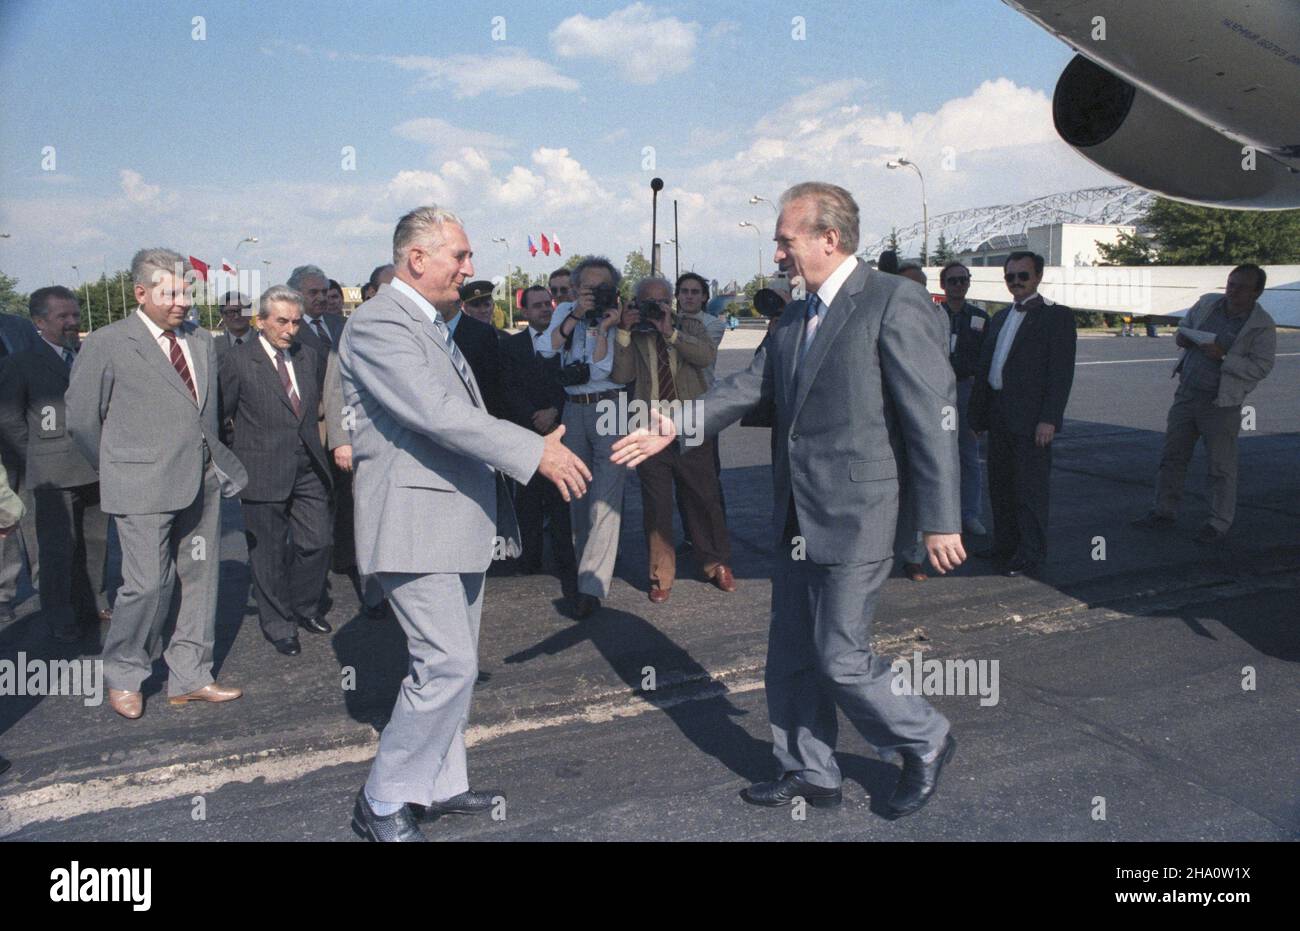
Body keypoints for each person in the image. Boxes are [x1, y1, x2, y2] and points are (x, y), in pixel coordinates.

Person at [613, 182, 963, 819]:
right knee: (794, 655)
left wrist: (941, 520)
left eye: (785, 239)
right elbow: (750, 387)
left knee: (841, 656)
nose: (777, 252)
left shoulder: (894, 301)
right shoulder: (797, 314)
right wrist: (672, 423)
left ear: (829, 239)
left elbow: (931, 415)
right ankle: (812, 772)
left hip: (860, 513)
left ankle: (924, 736)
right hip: (798, 512)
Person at [340, 205, 589, 842]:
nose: (471, 268)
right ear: (417, 258)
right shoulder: (377, 323)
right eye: (461, 255)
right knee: (445, 665)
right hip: (412, 522)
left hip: (453, 519)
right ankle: (384, 797)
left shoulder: (431, 323)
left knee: (454, 664)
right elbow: (435, 412)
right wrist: (534, 452)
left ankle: (440, 784)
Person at [66, 248, 248, 719]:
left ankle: (190, 676)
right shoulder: (107, 342)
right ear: (141, 293)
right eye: (170, 293)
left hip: (201, 482)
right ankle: (126, 674)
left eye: (187, 291)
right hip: (139, 485)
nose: (182, 301)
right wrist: (118, 467)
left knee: (200, 580)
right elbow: (83, 421)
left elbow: (204, 413)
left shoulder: (202, 341)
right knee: (146, 585)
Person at [219, 285, 333, 656]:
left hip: (308, 467)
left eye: (296, 322)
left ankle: (304, 606)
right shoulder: (238, 361)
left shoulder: (309, 355)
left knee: (317, 543)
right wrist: (233, 464)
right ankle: (278, 623)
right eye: (281, 322)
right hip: (261, 471)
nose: (290, 330)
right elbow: (222, 417)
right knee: (266, 554)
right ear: (261, 321)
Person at [611, 276, 734, 603]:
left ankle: (715, 562)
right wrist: (623, 331)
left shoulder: (690, 325)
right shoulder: (632, 333)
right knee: (657, 505)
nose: (657, 307)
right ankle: (661, 576)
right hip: (648, 426)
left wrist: (670, 332)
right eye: (649, 302)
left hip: (689, 422)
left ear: (672, 301)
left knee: (703, 496)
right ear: (637, 303)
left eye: (663, 301)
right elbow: (621, 376)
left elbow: (705, 357)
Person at [1132, 265, 1276, 544]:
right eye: (1230, 284)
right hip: (1187, 392)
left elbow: (1261, 367)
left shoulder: (1262, 325)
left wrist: (1223, 357)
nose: (1232, 291)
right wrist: (1183, 338)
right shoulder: (1209, 303)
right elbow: (1183, 330)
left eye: (1241, 287)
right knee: (1172, 455)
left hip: (1221, 402)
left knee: (1220, 465)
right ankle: (1163, 510)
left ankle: (1218, 521)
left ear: (1257, 292)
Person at [0, 286, 111, 642]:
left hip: (94, 467)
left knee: (95, 542)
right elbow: (9, 417)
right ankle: (59, 617)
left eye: (75, 315)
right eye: (62, 317)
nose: (72, 323)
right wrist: (35, 453)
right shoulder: (21, 363)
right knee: (57, 549)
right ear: (38, 321)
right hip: (51, 474)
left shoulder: (87, 357)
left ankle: (91, 604)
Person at [968, 251, 1077, 578]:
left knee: (1029, 489)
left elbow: (1060, 373)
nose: (1016, 282)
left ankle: (1031, 553)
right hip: (1000, 413)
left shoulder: (1056, 317)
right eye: (1010, 276)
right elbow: (986, 367)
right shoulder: (1000, 317)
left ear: (1038, 277)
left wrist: (1050, 418)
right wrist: (977, 417)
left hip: (1032, 420)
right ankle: (1005, 545)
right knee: (1000, 485)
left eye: (1022, 276)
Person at [539, 256, 627, 619]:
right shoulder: (565, 313)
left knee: (605, 497)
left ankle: (591, 587)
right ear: (575, 288)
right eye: (587, 288)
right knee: (576, 491)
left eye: (601, 288)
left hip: (611, 404)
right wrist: (576, 313)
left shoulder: (619, 316)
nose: (594, 294)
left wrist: (606, 326)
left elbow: (604, 367)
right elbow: (546, 349)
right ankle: (583, 568)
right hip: (574, 405)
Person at [500, 285, 577, 592]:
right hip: (526, 431)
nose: (545, 309)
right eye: (538, 305)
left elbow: (572, 382)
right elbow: (507, 388)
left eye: (549, 304)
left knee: (562, 498)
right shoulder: (511, 346)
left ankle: (565, 560)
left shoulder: (569, 342)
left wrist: (554, 412)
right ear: (525, 312)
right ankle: (529, 558)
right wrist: (534, 416)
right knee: (528, 499)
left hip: (562, 428)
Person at [939, 262, 990, 538]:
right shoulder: (933, 315)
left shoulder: (980, 318)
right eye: (952, 281)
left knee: (969, 455)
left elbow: (988, 362)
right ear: (942, 285)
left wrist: (983, 405)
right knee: (939, 456)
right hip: (938, 392)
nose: (958, 285)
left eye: (962, 280)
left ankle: (970, 513)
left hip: (967, 390)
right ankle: (942, 517)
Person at [0, 310, 41, 624]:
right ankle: (3, 593)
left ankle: (49, 584)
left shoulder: (19, 327)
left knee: (37, 514)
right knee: (4, 519)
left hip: (26, 436)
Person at [214, 291, 254, 362]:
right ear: (222, 316)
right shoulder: (213, 346)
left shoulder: (264, 342)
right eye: (230, 312)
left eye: (241, 311)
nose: (236, 316)